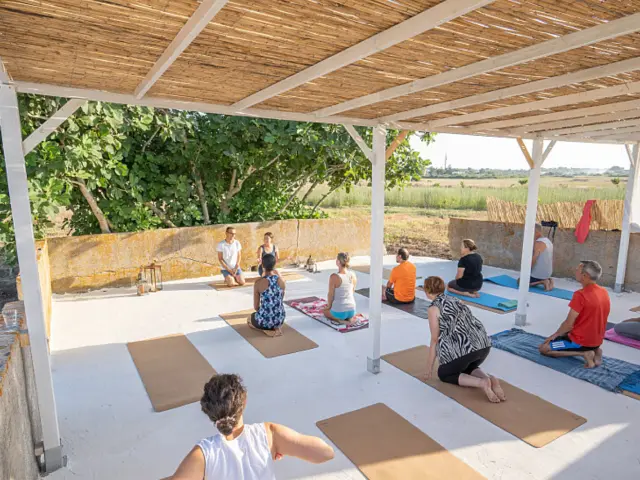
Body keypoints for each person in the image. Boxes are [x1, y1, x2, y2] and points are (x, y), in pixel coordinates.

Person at [169, 374, 334, 480]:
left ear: (208, 411)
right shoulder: (268, 434)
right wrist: (278, 445)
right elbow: (325, 453)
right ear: (244, 401)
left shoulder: (202, 454)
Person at [422, 276, 505, 403]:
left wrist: (429, 368)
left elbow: (434, 340)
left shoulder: (433, 309)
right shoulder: (456, 299)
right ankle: (489, 379)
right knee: (464, 366)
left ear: (427, 291)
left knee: (445, 373)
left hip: (465, 351)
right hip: (483, 346)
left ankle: (482, 383)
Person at [539, 261, 610, 369]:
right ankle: (596, 351)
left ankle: (584, 353)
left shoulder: (580, 295)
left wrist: (553, 336)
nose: (575, 271)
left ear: (584, 276)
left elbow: (568, 324)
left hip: (580, 342)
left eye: (577, 270)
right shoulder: (604, 292)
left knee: (544, 349)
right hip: (597, 341)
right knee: (566, 334)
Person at [250, 254, 286, 337]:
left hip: (265, 322)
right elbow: (280, 300)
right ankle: (276, 328)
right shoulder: (281, 281)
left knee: (250, 319)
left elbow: (256, 307)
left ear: (262, 265)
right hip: (280, 319)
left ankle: (267, 330)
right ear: (274, 265)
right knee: (265, 316)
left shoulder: (258, 282)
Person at [324, 252, 357, 324]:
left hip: (340, 312)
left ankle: (340, 320)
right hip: (352, 310)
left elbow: (330, 295)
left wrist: (329, 306)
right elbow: (352, 291)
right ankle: (350, 318)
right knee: (345, 311)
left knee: (325, 312)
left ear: (338, 262)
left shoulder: (334, 276)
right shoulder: (353, 274)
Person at [520, 223, 554, 291]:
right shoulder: (548, 241)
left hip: (539, 275)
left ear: (536, 232)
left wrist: (526, 271)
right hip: (548, 273)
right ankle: (549, 281)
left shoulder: (538, 243)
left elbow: (534, 259)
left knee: (520, 282)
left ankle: (542, 282)